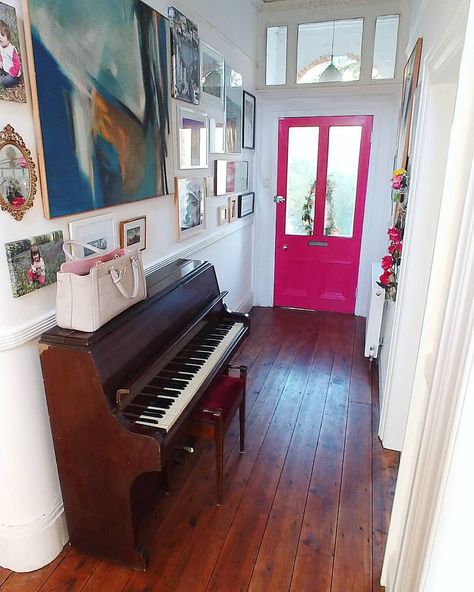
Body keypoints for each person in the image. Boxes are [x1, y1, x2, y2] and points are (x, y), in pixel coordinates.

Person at [0, 20, 22, 88]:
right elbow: (0, 54)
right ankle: (3, 76)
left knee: (4, 82)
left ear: (8, 39)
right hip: (5, 70)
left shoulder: (11, 50)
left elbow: (17, 64)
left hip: (14, 75)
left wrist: (12, 72)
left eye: (2, 36)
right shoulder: (1, 46)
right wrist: (0, 61)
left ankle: (4, 80)